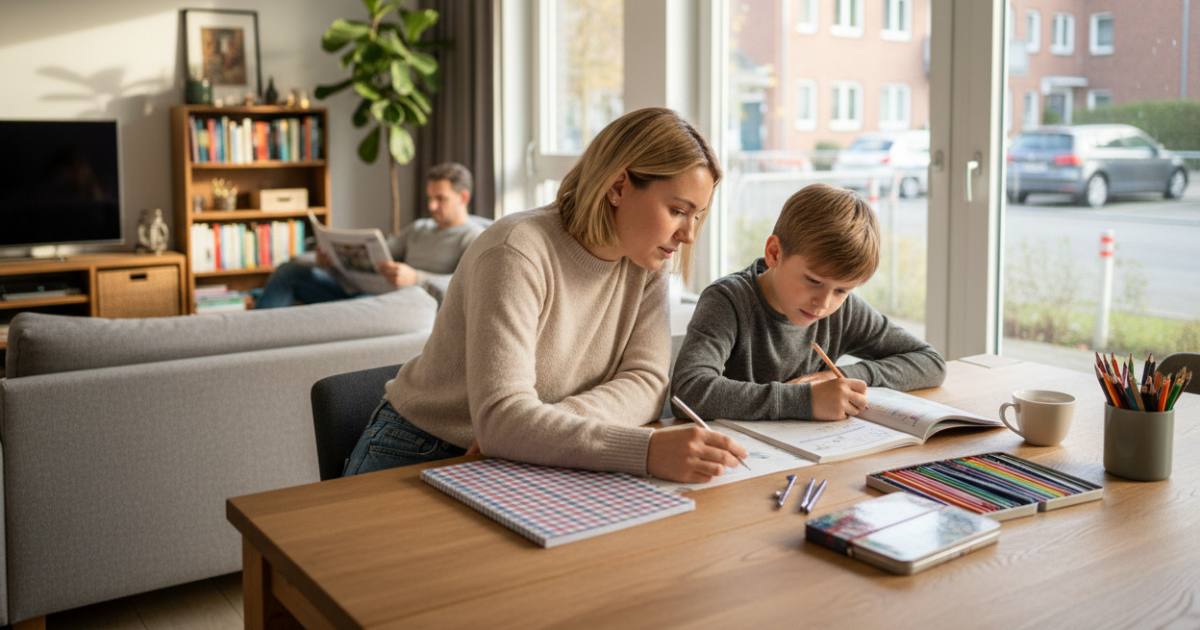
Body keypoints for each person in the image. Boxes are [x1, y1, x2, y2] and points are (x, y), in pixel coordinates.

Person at [344, 107, 749, 483]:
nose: (689, 234)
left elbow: (647, 383)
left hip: (531, 451)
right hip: (422, 450)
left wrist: (540, 425)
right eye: (678, 210)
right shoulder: (516, 251)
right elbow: (502, 418)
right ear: (619, 186)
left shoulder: (647, 263)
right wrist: (643, 451)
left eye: (697, 215)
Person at [671, 182, 946, 422]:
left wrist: (839, 377)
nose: (823, 304)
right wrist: (805, 400)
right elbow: (688, 391)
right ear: (774, 253)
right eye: (813, 281)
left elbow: (930, 363)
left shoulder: (843, 311)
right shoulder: (728, 301)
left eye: (842, 290)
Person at [255, 162, 483, 308]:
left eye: (440, 199)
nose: (432, 206)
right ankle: (254, 333)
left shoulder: (473, 237)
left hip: (403, 302)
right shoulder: (420, 228)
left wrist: (416, 278)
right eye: (429, 198)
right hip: (367, 290)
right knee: (290, 271)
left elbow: (469, 286)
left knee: (355, 307)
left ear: (463, 197)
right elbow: (380, 253)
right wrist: (333, 260)